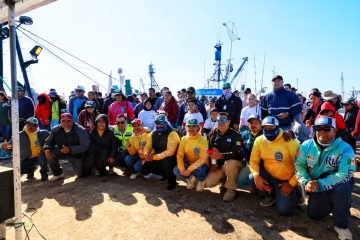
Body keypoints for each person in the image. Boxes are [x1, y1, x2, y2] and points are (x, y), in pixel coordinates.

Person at [295, 116, 356, 240]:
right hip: (317, 186)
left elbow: (345, 174)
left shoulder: (347, 149)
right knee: (314, 215)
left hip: (336, 184)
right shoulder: (306, 145)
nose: (321, 132)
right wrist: (306, 182)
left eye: (326, 129)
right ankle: (337, 204)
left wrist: (320, 184)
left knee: (343, 189)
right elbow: (298, 166)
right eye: (318, 128)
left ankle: (341, 225)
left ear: (334, 130)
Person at [249, 116, 301, 215]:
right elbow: (253, 161)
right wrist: (256, 175)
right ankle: (271, 195)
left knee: (284, 211)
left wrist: (292, 183)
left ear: (277, 127)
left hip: (286, 179)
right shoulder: (259, 140)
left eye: (271, 127)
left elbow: (302, 165)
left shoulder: (289, 140)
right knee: (252, 177)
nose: (268, 130)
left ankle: (297, 192)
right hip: (269, 174)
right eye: (265, 128)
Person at [204, 112, 244, 202]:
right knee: (208, 182)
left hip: (233, 165)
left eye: (224, 120)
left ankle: (231, 189)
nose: (221, 122)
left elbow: (237, 153)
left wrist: (221, 156)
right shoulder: (213, 134)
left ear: (229, 121)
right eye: (219, 120)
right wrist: (213, 163)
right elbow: (210, 150)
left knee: (231, 163)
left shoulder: (236, 135)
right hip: (219, 166)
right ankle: (224, 183)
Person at [43, 113, 91, 181]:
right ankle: (58, 174)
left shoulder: (80, 130)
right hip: (62, 151)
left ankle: (90, 167)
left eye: (68, 121)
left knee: (81, 175)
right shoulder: (55, 130)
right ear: (60, 122)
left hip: (76, 154)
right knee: (50, 153)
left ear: (72, 121)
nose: (66, 123)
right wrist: (47, 149)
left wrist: (70, 149)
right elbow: (48, 142)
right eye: (63, 121)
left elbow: (85, 145)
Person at [143, 114, 181, 191]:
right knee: (145, 165)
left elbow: (170, 152)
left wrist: (153, 157)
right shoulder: (153, 133)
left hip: (172, 158)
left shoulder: (173, 133)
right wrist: (146, 154)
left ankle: (172, 182)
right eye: (157, 122)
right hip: (158, 155)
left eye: (161, 122)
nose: (158, 124)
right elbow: (147, 146)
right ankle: (165, 175)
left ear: (166, 122)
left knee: (166, 162)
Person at [173, 118, 209, 192]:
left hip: (201, 164)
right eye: (189, 126)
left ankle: (201, 181)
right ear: (186, 128)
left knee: (201, 171)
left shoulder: (203, 140)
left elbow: (203, 159)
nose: (191, 128)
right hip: (189, 163)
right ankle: (189, 178)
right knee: (176, 170)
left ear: (198, 128)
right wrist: (182, 169)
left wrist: (189, 169)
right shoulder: (183, 139)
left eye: (194, 126)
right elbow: (179, 155)